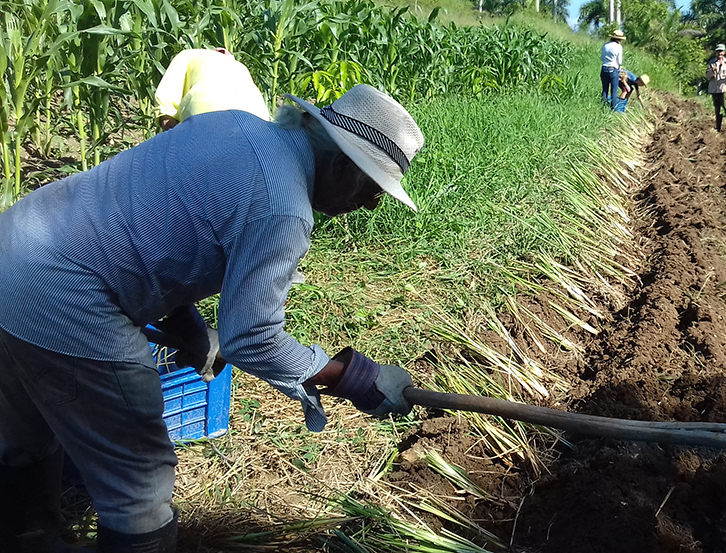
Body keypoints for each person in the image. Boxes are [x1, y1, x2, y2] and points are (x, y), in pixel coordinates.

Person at [0, 84, 423, 552]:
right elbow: (253, 337)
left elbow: (151, 224)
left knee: (24, 435)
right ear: (346, 165)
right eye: (374, 188)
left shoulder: (233, 125)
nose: (370, 204)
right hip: (64, 296)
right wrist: (356, 377)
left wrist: (190, 328)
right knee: (137, 486)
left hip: (15, 250)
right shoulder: (283, 206)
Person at [154, 47, 271, 131]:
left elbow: (165, 103)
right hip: (258, 123)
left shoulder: (189, 54)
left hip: (205, 115)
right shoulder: (241, 68)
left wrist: (180, 139)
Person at [706, 44, 726, 131]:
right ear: (716, 52)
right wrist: (712, 70)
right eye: (718, 51)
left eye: (721, 52)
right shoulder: (712, 62)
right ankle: (718, 127)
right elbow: (707, 76)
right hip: (715, 88)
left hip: (724, 87)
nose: (720, 53)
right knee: (717, 107)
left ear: (724, 52)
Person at [600, 30, 626, 108]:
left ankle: (603, 107)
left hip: (604, 68)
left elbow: (602, 58)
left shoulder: (605, 45)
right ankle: (613, 108)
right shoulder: (619, 47)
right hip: (613, 69)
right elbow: (619, 61)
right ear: (619, 39)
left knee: (605, 90)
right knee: (613, 91)